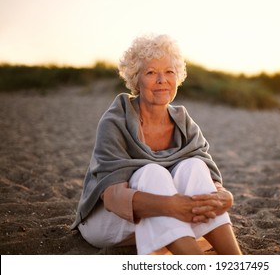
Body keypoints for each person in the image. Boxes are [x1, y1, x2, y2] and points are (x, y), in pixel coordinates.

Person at [71, 34, 241, 255]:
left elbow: (207, 178)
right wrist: (171, 206)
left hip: (172, 216)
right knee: (152, 173)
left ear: (177, 77)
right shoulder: (115, 121)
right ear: (136, 79)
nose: (162, 80)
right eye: (151, 72)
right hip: (109, 221)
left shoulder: (183, 122)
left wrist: (224, 196)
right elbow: (112, 198)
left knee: (194, 167)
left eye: (169, 72)